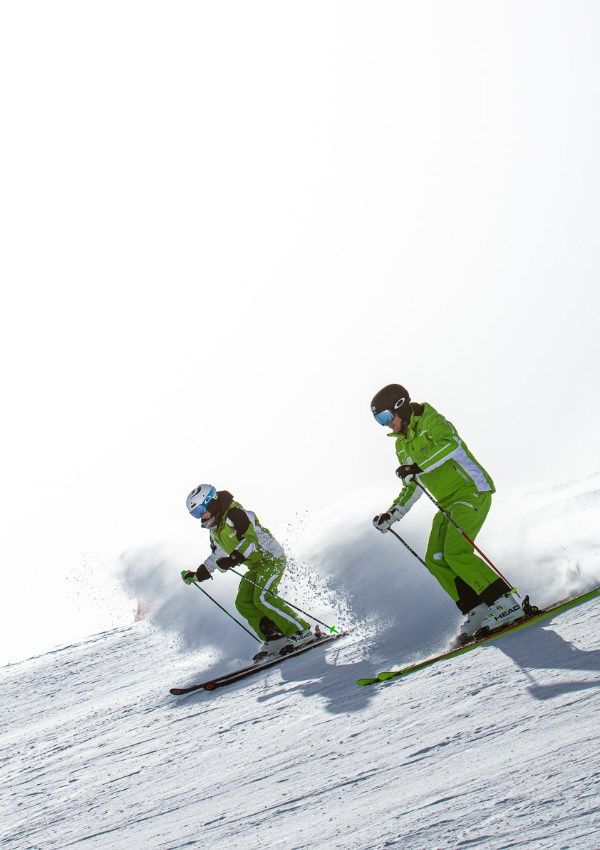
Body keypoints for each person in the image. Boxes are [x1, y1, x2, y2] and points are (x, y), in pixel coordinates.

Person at [370, 384, 524, 642]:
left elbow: (449, 445)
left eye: (385, 417)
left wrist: (418, 466)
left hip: (471, 492)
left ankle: (504, 602)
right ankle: (477, 608)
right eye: (378, 421)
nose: (385, 425)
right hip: (447, 504)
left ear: (400, 407)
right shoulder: (401, 446)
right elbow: (413, 486)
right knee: (435, 558)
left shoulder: (432, 420)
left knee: (456, 552)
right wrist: (392, 515)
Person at [181, 484, 313, 660]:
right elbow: (217, 555)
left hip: (271, 559)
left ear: (211, 503)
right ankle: (275, 637)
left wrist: (234, 558)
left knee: (263, 597)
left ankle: (301, 631)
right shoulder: (216, 531)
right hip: (256, 566)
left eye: (200, 511)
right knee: (243, 601)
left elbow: (249, 540)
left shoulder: (237, 514)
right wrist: (198, 574)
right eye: (195, 515)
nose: (201, 517)